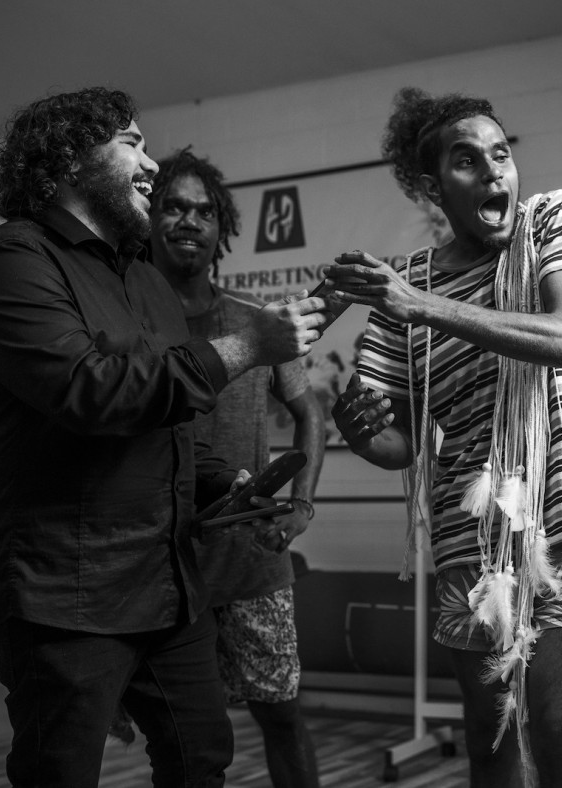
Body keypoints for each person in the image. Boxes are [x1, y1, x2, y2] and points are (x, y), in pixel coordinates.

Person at [0, 87, 328, 788]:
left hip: (165, 581)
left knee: (200, 756)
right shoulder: (8, 263)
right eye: (132, 143)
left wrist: (224, 479)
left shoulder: (145, 283)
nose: (151, 164)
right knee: (59, 773)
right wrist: (246, 348)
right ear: (66, 159)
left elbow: (168, 423)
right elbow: (93, 393)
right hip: (63, 593)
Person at [326, 87, 562, 788]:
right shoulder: (405, 288)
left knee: (554, 728)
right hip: (473, 534)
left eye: (501, 154)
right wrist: (361, 434)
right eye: (468, 161)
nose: (495, 172)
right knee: (489, 734)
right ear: (435, 187)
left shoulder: (551, 220)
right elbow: (401, 442)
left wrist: (421, 305)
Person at [149, 147, 325, 788]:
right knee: (187, 737)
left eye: (202, 211)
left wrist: (301, 503)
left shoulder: (258, 323)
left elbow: (312, 415)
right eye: (172, 206)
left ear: (221, 227)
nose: (188, 221)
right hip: (163, 568)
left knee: (281, 718)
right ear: (149, 218)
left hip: (252, 563)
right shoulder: (135, 323)